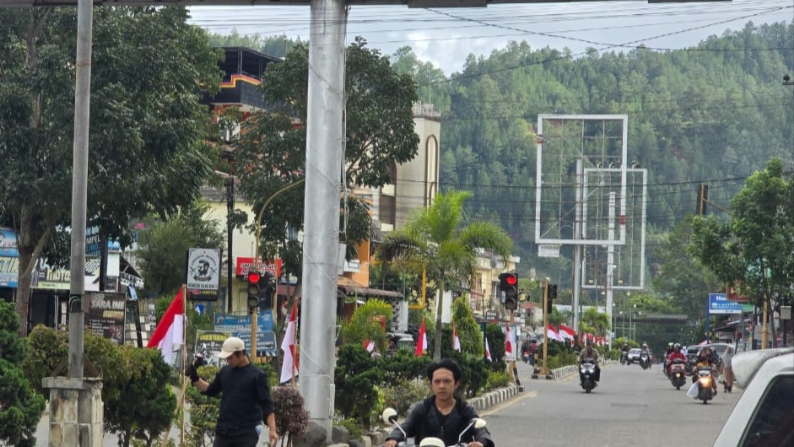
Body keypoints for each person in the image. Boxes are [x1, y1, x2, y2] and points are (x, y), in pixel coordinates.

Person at [186, 336, 278, 447]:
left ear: (240, 353)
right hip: (224, 430)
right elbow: (211, 390)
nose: (228, 361)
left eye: (230, 357)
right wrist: (195, 378)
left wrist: (272, 430)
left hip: (247, 431)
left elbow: (267, 404)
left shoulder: (257, 376)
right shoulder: (225, 372)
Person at [385, 358, 494, 447]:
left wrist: (480, 442)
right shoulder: (422, 408)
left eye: (447, 381)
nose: (441, 386)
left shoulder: (465, 410)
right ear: (431, 384)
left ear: (456, 383)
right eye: (437, 381)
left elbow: (481, 431)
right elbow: (405, 426)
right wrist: (393, 438)